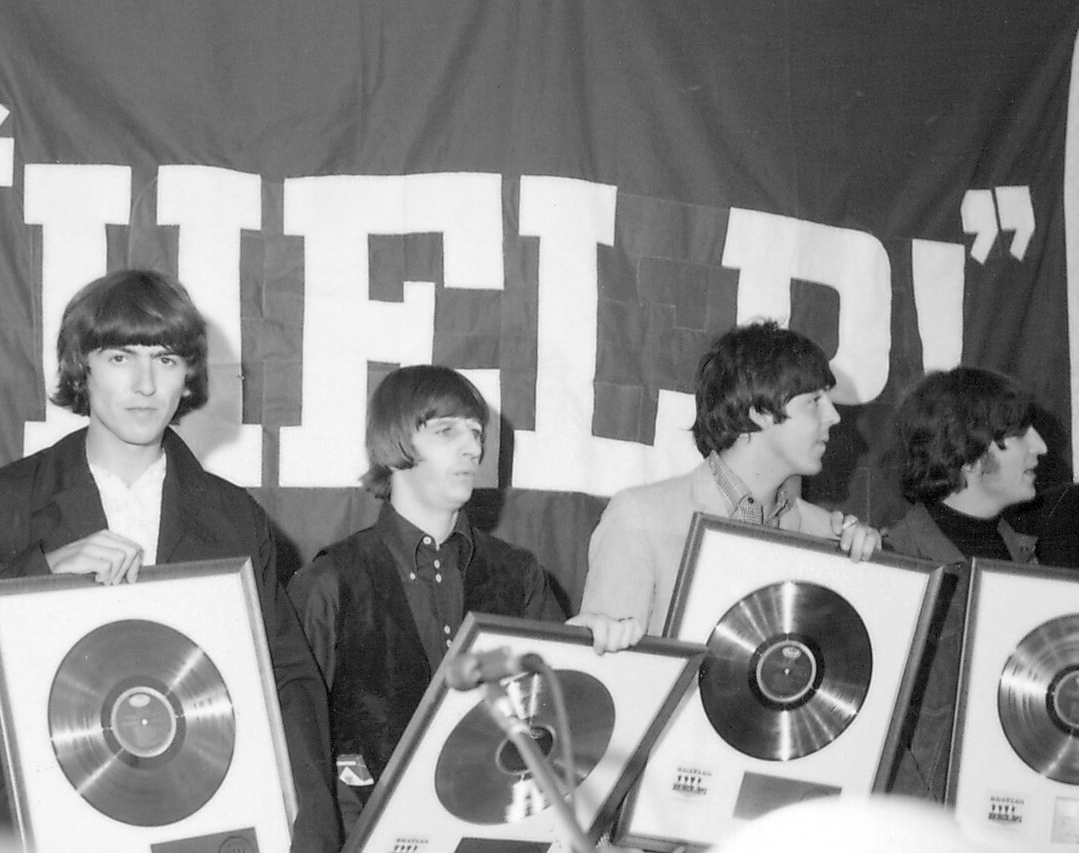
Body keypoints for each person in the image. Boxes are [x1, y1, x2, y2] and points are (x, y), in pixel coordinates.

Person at [0, 269, 340, 851]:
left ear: (190, 377)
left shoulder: (234, 519)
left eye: (168, 359)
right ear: (83, 366)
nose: (146, 384)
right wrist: (41, 573)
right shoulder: (1, 502)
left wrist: (310, 834)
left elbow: (289, 681)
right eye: (122, 358)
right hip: (32, 829)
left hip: (193, 825)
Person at [287, 364, 643, 837]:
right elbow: (294, 757)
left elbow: (558, 726)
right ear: (394, 445)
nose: (473, 448)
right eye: (446, 430)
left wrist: (587, 643)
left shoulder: (519, 574)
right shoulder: (328, 584)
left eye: (476, 432)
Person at [580, 320, 880, 635]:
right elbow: (608, 674)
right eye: (814, 401)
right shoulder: (639, 518)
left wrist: (869, 566)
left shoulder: (827, 535)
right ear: (760, 411)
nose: (833, 416)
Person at [882, 366, 1045, 801]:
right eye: (1019, 433)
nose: (1040, 447)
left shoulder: (1032, 561)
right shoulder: (895, 564)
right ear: (969, 449)